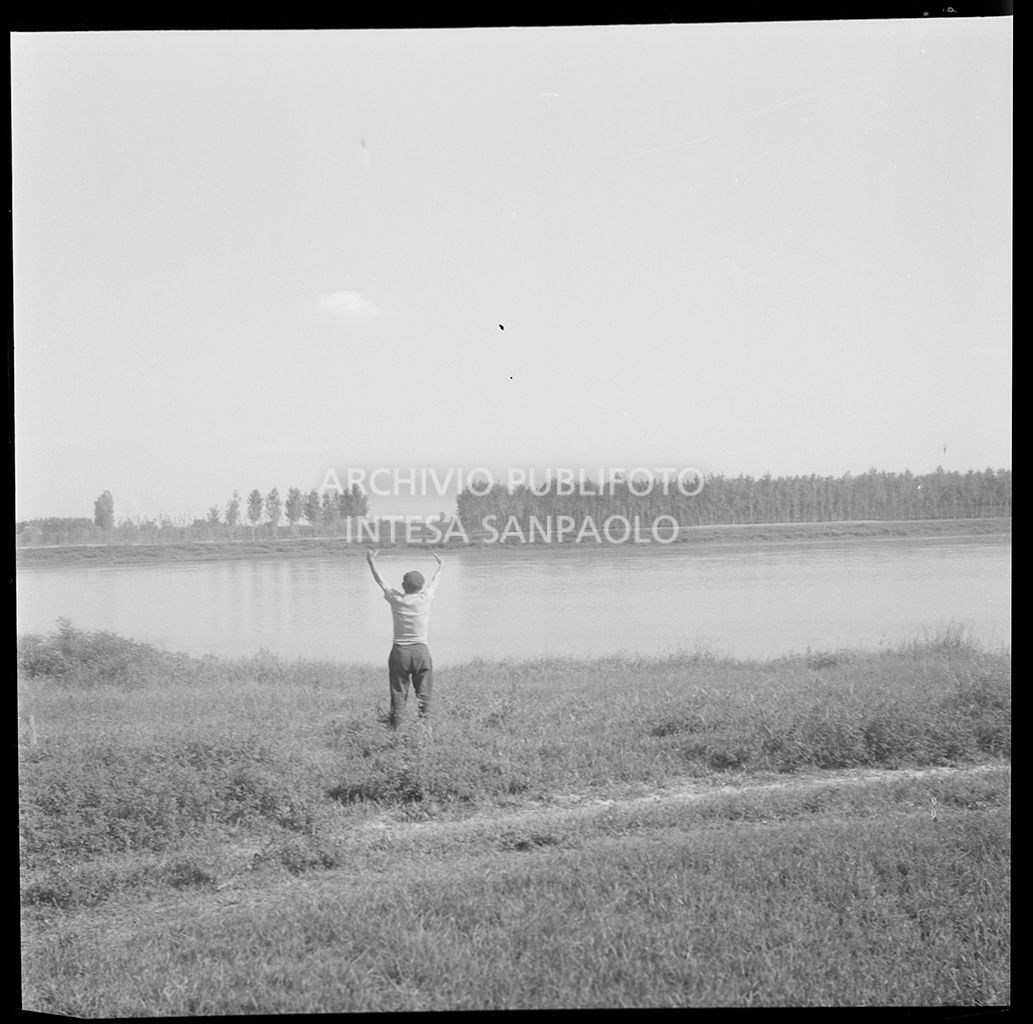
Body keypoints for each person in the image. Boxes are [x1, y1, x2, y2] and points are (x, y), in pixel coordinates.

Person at [366, 548, 443, 728]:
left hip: (400, 652)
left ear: (403, 586)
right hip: (421, 652)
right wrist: (441, 566)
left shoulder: (396, 599)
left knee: (399, 692)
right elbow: (435, 581)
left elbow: (381, 581)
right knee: (424, 694)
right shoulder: (426, 598)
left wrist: (371, 562)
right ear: (421, 587)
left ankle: (397, 731)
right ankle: (425, 729)